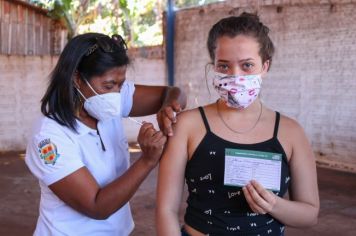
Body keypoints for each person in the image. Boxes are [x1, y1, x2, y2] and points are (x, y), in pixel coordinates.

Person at [156, 12, 319, 236]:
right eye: (224, 66)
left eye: (247, 65)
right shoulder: (187, 125)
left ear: (265, 67)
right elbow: (166, 209)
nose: (235, 75)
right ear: (213, 66)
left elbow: (309, 214)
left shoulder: (291, 132)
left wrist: (273, 205)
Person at [25, 32, 186, 235]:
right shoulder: (49, 136)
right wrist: (147, 161)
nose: (116, 94)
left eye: (121, 84)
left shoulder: (109, 100)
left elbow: (174, 93)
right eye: (109, 85)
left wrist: (167, 107)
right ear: (76, 78)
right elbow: (96, 206)